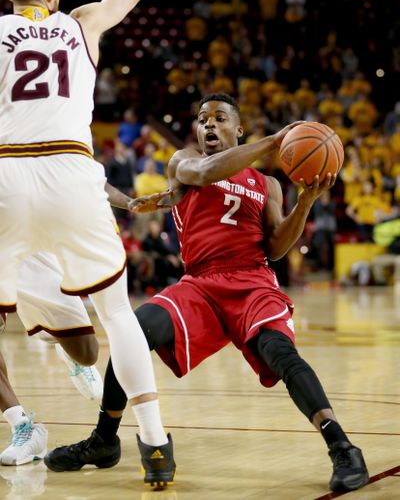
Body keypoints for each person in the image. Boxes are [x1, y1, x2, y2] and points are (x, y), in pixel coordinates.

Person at [44, 94, 369, 493]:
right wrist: (273, 142)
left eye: (219, 118)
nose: (208, 125)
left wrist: (304, 203)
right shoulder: (184, 161)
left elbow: (276, 247)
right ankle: (104, 441)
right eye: (202, 119)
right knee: (133, 331)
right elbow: (205, 173)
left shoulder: (267, 184)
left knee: (281, 353)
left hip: (252, 281)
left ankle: (342, 446)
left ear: (238, 129)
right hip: (200, 283)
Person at [0, 0, 192, 486]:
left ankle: (20, 418)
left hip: (6, 174)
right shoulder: (81, 23)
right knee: (117, 315)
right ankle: (154, 443)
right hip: (70, 171)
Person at [0, 185, 170, 467]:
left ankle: (68, 351)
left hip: (30, 244)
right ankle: (22, 426)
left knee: (86, 351)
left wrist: (129, 203)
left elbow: (85, 172)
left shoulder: (31, 146)